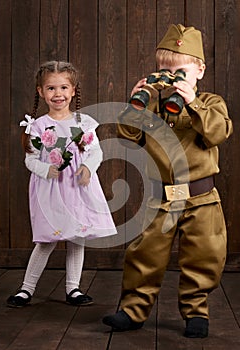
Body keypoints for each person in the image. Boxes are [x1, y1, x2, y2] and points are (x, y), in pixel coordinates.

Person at [102, 24, 233, 338]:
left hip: (202, 199)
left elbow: (218, 132)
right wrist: (137, 103)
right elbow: (128, 137)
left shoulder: (211, 103)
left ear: (199, 70)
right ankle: (132, 311)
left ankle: (196, 311)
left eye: (180, 71)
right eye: (164, 71)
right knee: (144, 255)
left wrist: (192, 102)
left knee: (205, 254)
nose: (171, 77)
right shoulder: (153, 108)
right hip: (160, 198)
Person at [7, 60, 117, 308]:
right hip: (51, 189)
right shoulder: (38, 127)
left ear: (73, 90)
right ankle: (26, 289)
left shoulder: (83, 123)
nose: (58, 94)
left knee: (77, 237)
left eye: (64, 88)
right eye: (51, 89)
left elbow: (95, 152)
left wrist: (88, 167)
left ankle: (73, 288)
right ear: (41, 91)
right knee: (47, 239)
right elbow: (31, 160)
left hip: (77, 188)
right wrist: (47, 169)